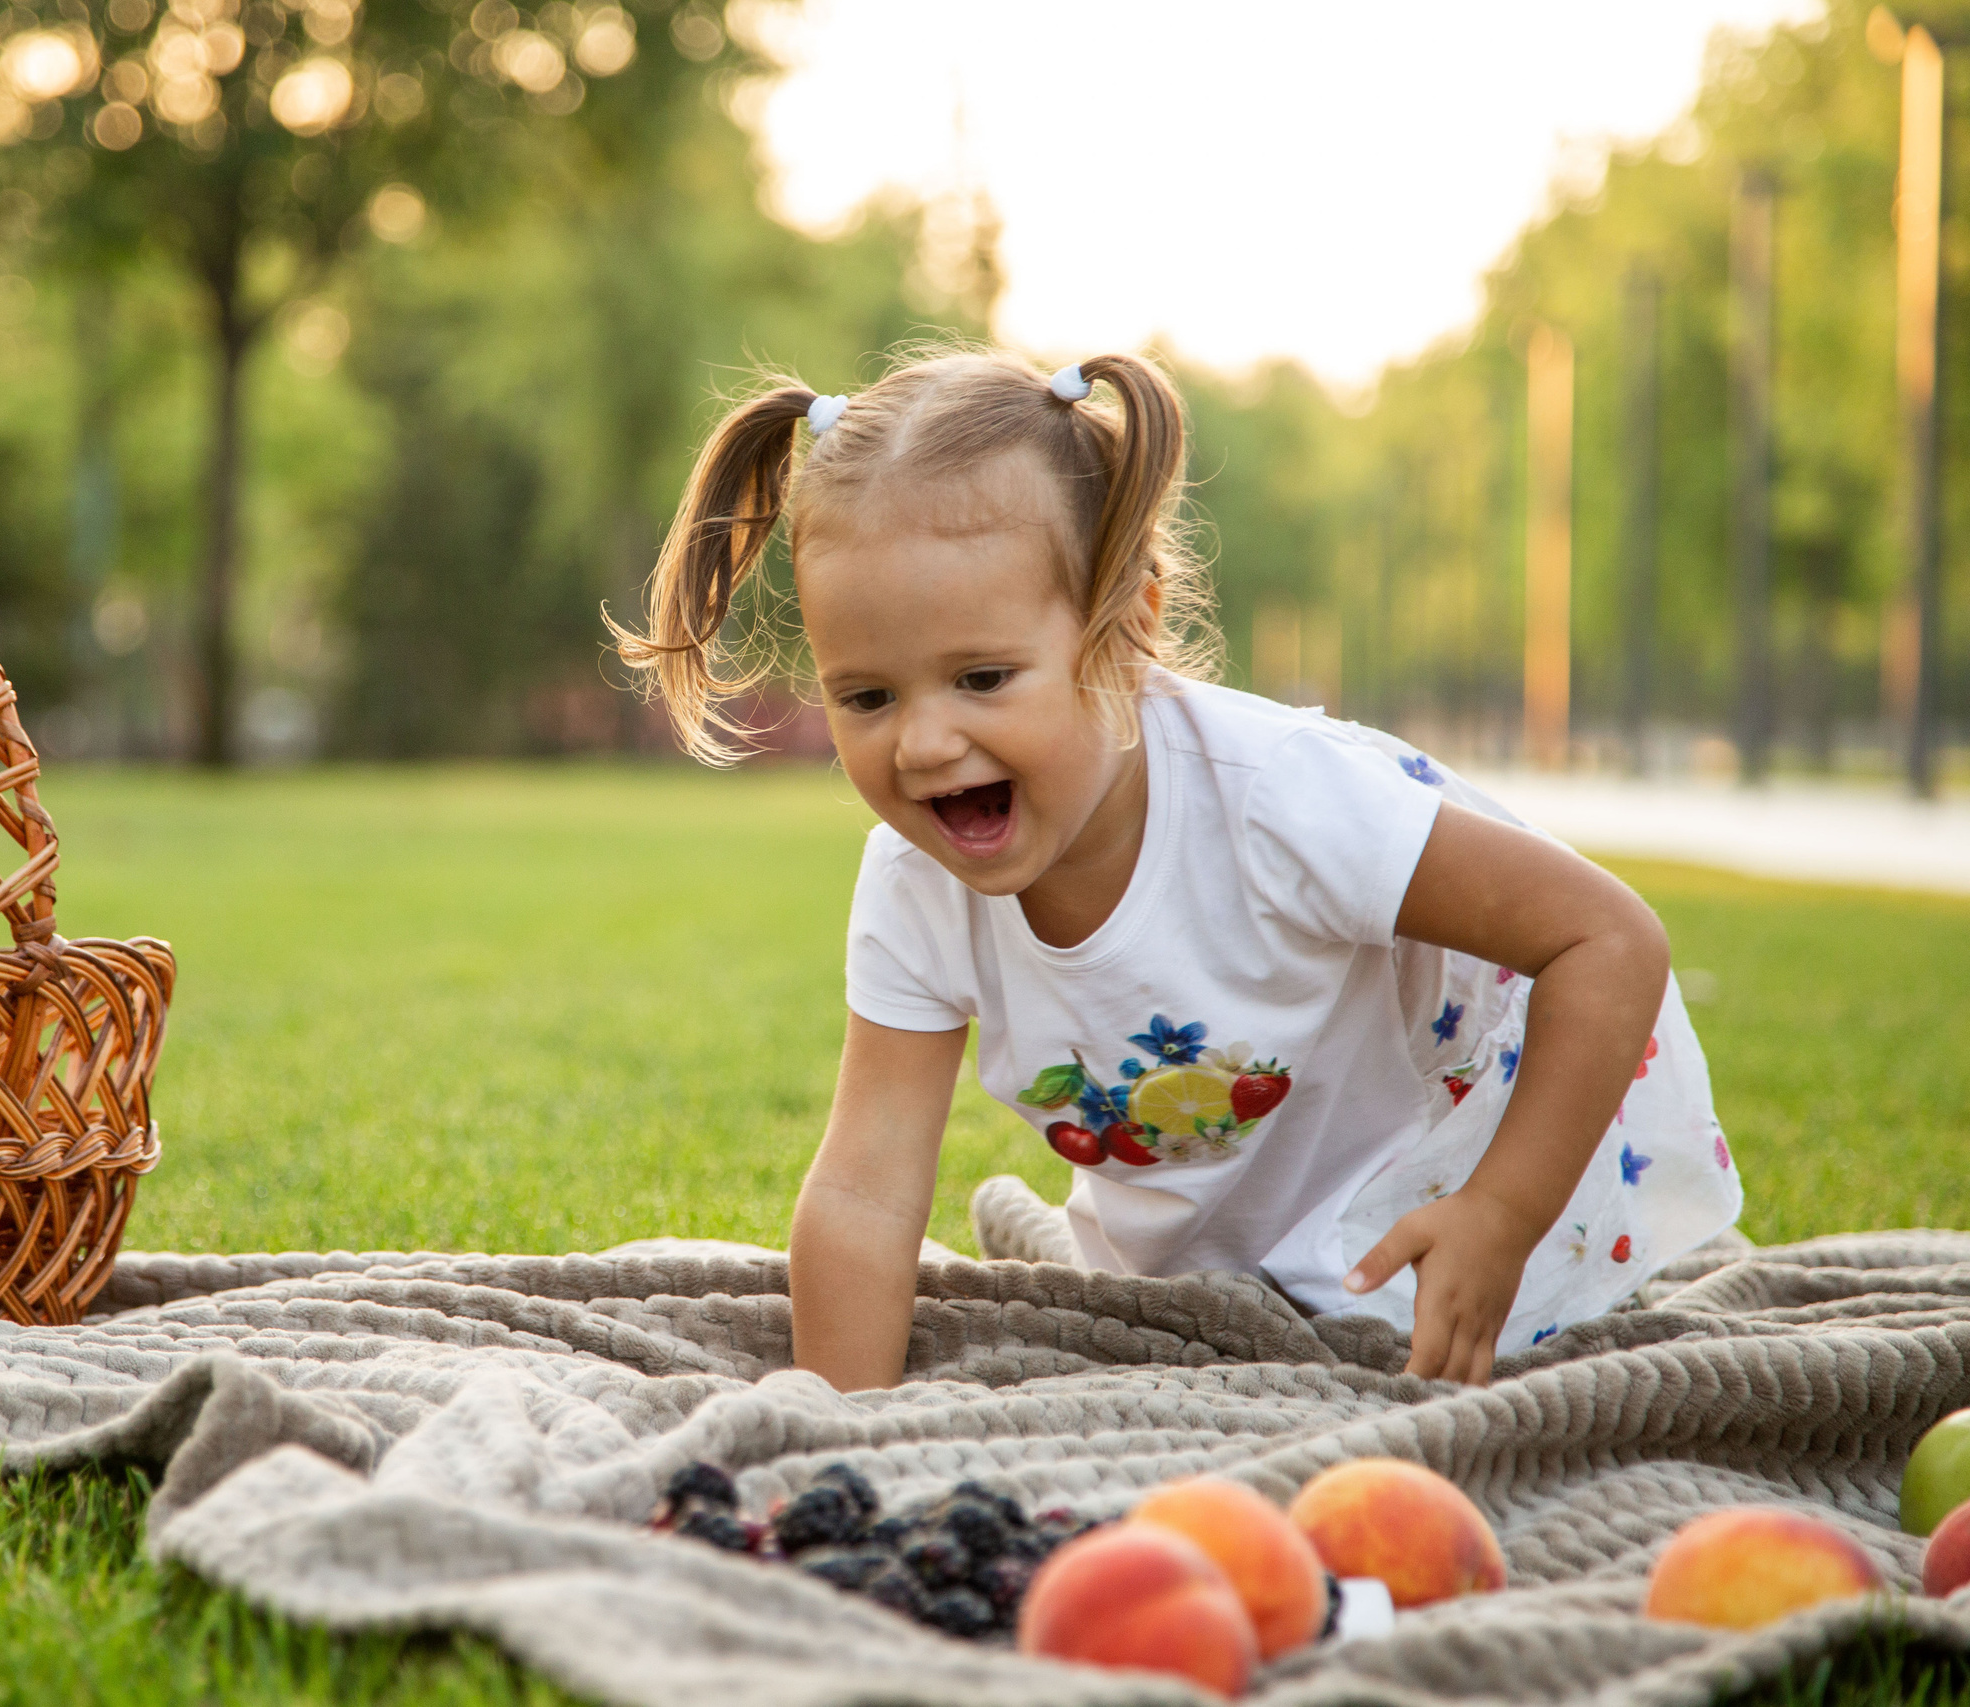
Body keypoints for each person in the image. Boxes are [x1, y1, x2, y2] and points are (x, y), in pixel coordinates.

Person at [613, 346, 1741, 1390]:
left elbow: (1607, 938)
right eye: (867, 696)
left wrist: (1502, 1213)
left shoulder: (1280, 801)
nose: (923, 743)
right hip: (1189, 1283)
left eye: (983, 679)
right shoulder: (917, 887)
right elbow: (864, 1188)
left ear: (1126, 629)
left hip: (1435, 1219)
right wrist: (835, 1422)